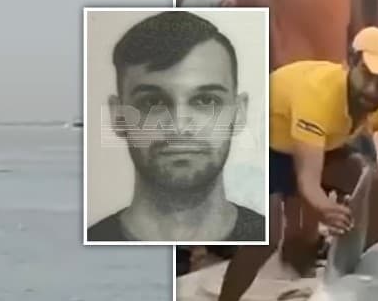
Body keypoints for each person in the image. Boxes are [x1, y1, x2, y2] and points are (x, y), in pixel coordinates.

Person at [197, 27, 378, 301]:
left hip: (313, 144)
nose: (372, 90)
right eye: (366, 75)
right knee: (266, 236)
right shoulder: (318, 93)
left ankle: (363, 283)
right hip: (258, 142)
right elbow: (306, 182)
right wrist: (325, 207)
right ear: (350, 62)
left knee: (371, 185)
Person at [87, 12, 266, 243]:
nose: (179, 126)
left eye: (206, 101)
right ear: (118, 116)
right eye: (153, 102)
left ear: (239, 113)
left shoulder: (276, 243)